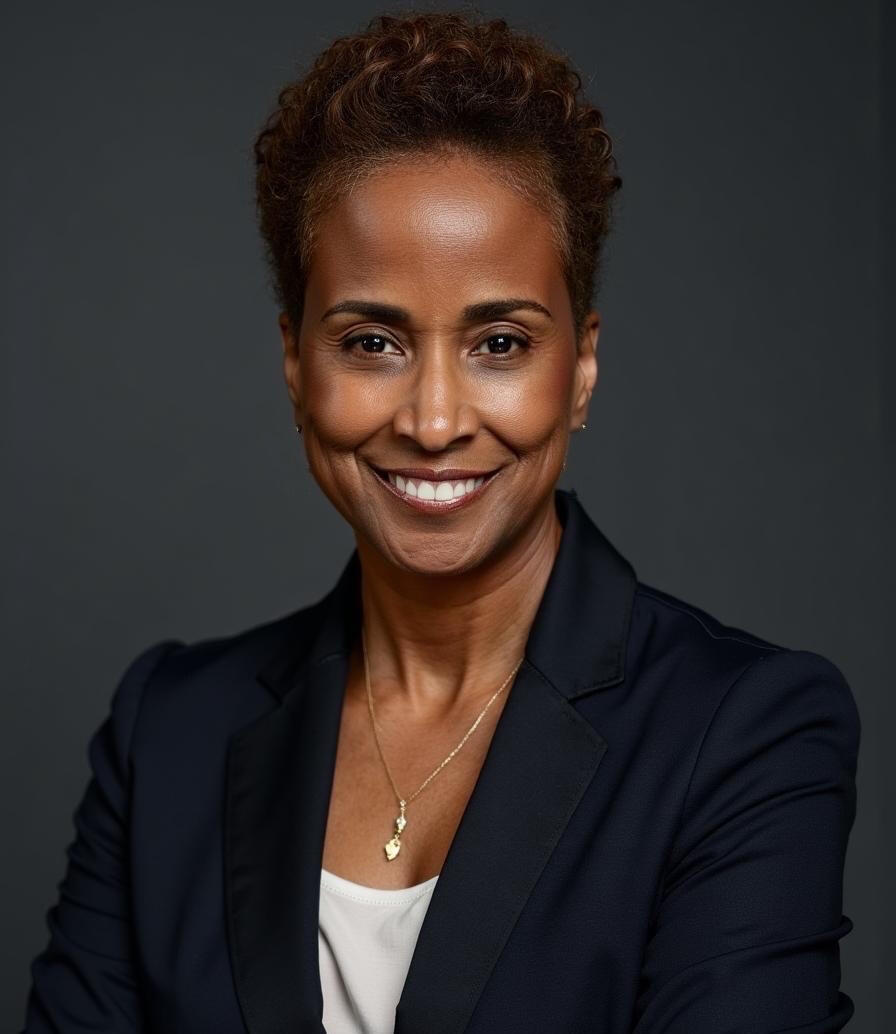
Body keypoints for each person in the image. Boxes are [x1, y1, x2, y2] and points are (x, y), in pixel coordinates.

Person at [22, 9, 860, 1034]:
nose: (431, 421)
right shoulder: (170, 732)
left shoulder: (742, 733)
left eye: (499, 342)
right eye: (371, 342)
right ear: (294, 364)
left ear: (581, 367)